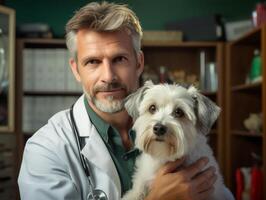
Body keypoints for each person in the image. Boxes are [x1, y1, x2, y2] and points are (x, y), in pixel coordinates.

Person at [18, 2, 233, 200]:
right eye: (93, 62)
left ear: (139, 63)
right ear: (76, 69)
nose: (108, 77)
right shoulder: (45, 150)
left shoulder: (192, 146)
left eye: (119, 59)